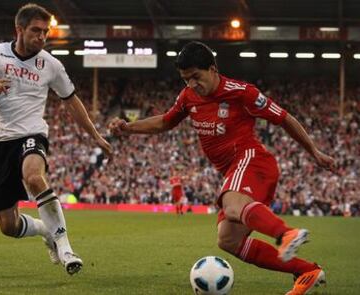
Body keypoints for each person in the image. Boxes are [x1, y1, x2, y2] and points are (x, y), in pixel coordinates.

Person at [109, 41, 335, 294]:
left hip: (253, 160)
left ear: (213, 69)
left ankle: (286, 234)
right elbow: (164, 122)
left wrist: (314, 151)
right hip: (234, 172)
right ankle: (307, 271)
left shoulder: (242, 92)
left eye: (196, 76)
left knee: (232, 205)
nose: (192, 84)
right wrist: (129, 128)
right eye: (186, 79)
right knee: (229, 240)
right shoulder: (188, 97)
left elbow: (284, 118)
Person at [0, 3, 112, 275]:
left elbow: (72, 102)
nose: (42, 37)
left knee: (34, 177)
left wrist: (96, 136)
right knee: (8, 226)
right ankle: (46, 231)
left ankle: (65, 248)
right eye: (36, 31)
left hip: (31, 134)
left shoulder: (51, 65)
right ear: (19, 30)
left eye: (45, 32)